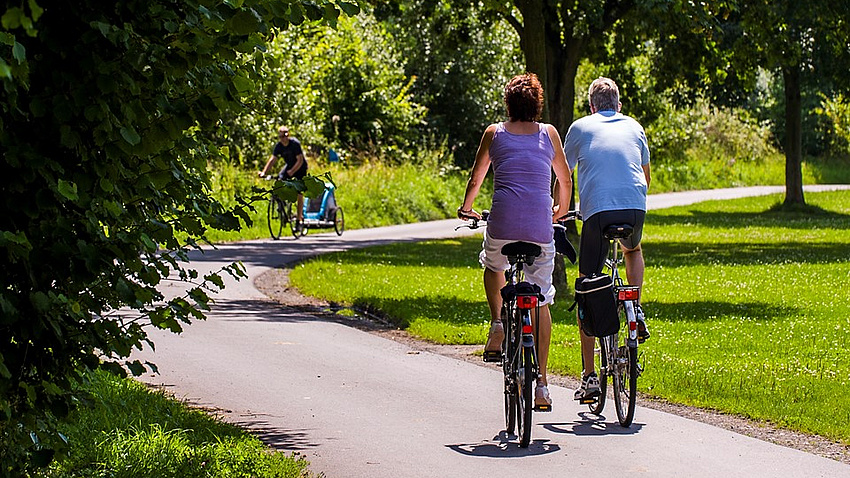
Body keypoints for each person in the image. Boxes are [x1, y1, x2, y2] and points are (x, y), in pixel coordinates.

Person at [458, 73, 572, 410]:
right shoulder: (549, 133)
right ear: (538, 104)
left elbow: (477, 177)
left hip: (503, 223)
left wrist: (467, 208)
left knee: (493, 265)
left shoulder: (494, 133)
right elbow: (564, 179)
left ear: (508, 104)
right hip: (539, 228)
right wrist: (559, 210)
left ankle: (497, 324)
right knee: (542, 300)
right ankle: (543, 385)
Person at [563, 77, 651, 403]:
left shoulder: (580, 127)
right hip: (633, 209)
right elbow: (646, 176)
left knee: (587, 286)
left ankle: (589, 377)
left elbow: (562, 173)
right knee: (634, 249)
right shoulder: (635, 126)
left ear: (591, 106)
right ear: (619, 104)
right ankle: (635, 308)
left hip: (598, 213)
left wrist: (561, 210)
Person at [259, 125, 309, 230]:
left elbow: (300, 160)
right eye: (281, 137)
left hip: (300, 167)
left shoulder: (295, 144)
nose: (284, 139)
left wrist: (292, 171)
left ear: (288, 135)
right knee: (280, 180)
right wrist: (264, 172)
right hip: (289, 166)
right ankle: (282, 203)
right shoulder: (279, 146)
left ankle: (299, 218)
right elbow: (273, 160)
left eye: (285, 136)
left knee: (299, 193)